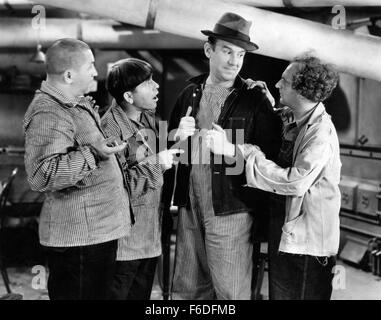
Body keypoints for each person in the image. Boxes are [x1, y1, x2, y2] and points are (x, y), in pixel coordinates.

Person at [163, 12, 282, 300]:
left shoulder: (253, 99)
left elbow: (270, 161)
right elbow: (169, 148)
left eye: (240, 54)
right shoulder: (189, 93)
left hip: (232, 211)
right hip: (190, 206)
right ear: (209, 50)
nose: (234, 61)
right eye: (227, 51)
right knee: (187, 290)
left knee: (230, 293)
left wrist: (231, 149)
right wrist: (175, 136)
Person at [206, 55, 341, 300]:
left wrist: (241, 153)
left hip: (306, 248)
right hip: (289, 237)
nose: (277, 84)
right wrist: (270, 104)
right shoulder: (301, 119)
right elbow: (287, 126)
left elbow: (294, 182)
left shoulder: (321, 135)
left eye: (285, 81)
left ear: (302, 90)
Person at [23, 38, 132, 300]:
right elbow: (42, 175)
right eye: (90, 66)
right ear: (70, 74)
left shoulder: (73, 103)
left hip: (93, 236)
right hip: (80, 243)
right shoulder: (50, 112)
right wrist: (95, 152)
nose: (95, 72)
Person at [101, 58, 182, 300]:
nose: (156, 86)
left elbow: (150, 158)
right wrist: (161, 161)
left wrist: (177, 140)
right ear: (128, 96)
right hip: (124, 245)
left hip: (148, 237)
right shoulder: (110, 130)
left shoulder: (145, 119)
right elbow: (119, 187)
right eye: (147, 83)